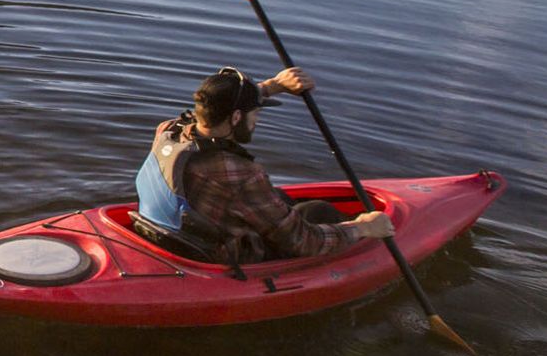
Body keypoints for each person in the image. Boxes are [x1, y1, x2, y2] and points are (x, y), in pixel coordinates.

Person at [133, 66, 394, 264]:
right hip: (218, 253)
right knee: (318, 212)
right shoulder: (241, 174)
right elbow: (303, 241)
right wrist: (362, 227)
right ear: (236, 117)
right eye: (255, 113)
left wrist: (274, 85)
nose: (257, 120)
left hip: (173, 231)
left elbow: (215, 101)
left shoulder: (169, 130)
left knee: (278, 197)